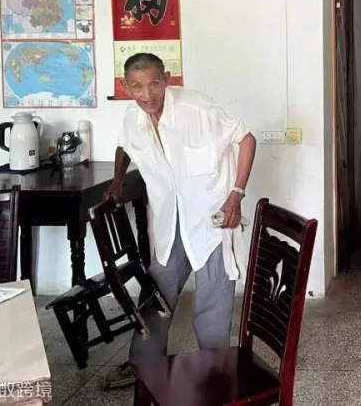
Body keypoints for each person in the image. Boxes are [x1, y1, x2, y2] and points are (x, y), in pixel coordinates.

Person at [104, 52, 257, 389]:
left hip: (211, 223)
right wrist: (118, 181)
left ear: (167, 80)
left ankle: (215, 369)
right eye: (137, 87)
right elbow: (124, 146)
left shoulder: (197, 109)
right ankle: (142, 366)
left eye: (154, 84)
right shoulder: (133, 117)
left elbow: (246, 138)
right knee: (156, 296)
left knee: (212, 305)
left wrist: (236, 194)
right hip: (169, 223)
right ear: (127, 87)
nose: (147, 94)